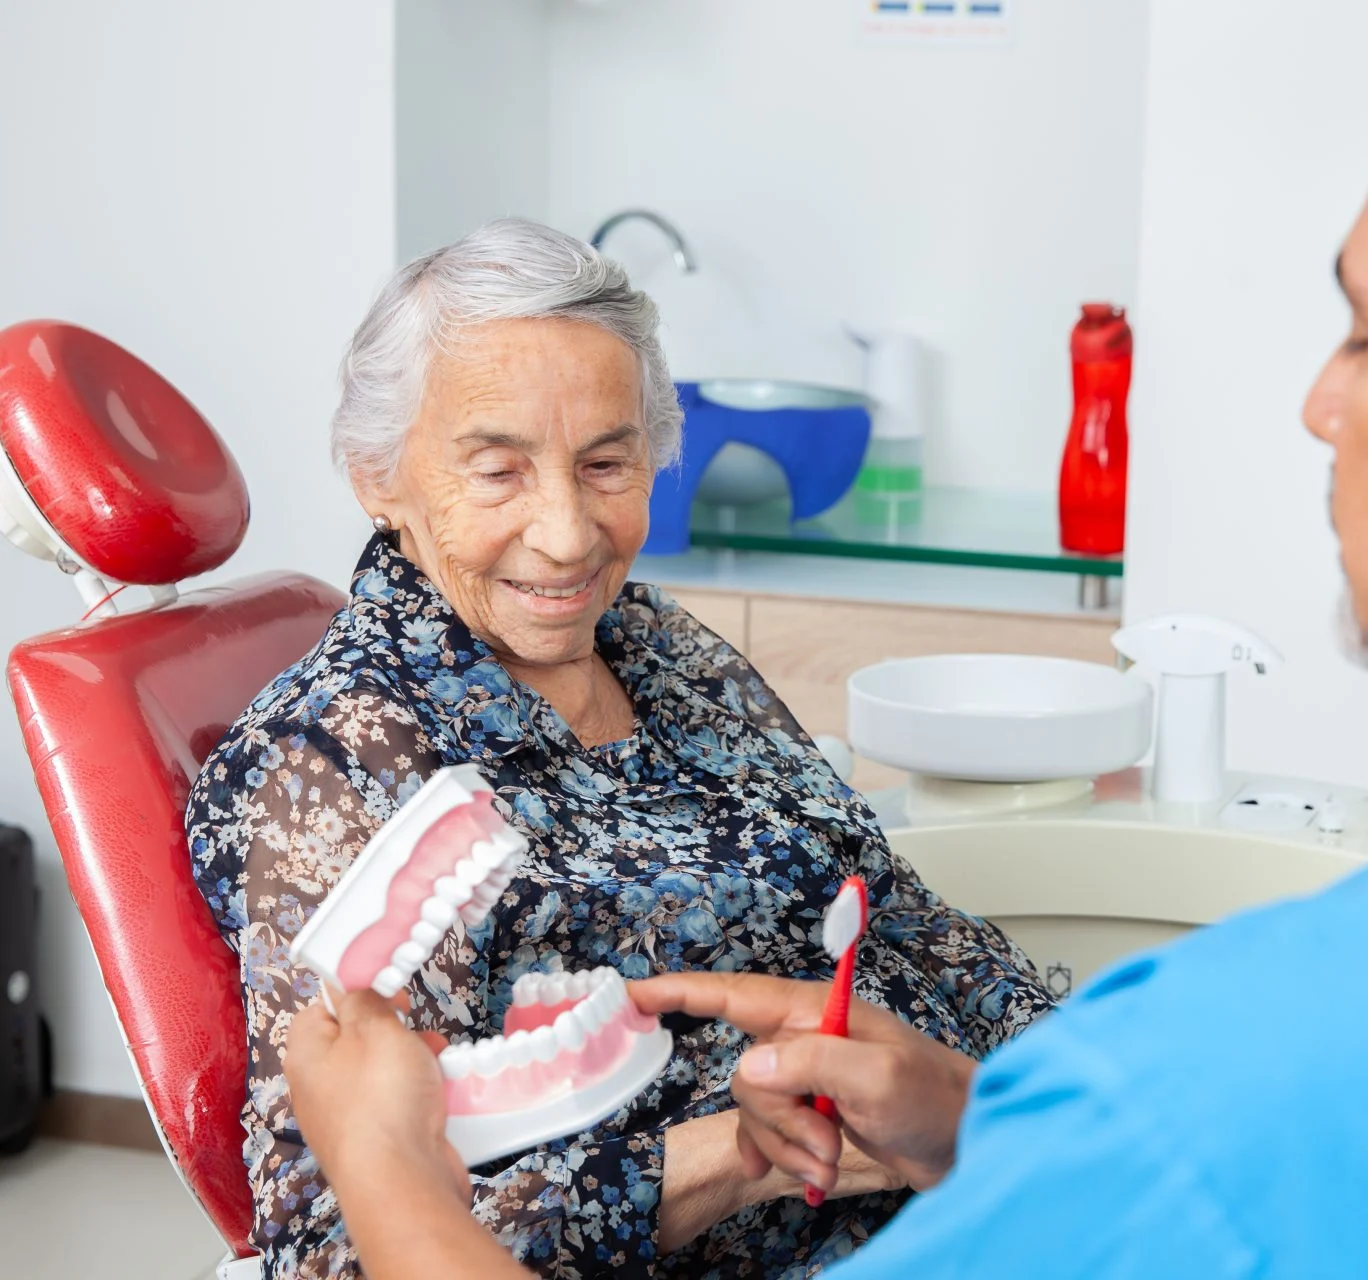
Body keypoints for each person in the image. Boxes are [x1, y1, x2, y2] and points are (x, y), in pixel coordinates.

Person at [283, 0, 1368, 1274]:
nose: (1320, 402)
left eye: (1366, 332)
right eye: (498, 466)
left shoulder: (1205, 1097)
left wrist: (388, 1170)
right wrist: (992, 1121)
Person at [185, 218, 1053, 1278]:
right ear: (379, 477)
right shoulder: (340, 759)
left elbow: (898, 912)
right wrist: (749, 1155)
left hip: (988, 1187)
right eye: (498, 472)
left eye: (606, 462)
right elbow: (336, 1242)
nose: (567, 533)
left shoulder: (657, 645)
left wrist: (1065, 1091)